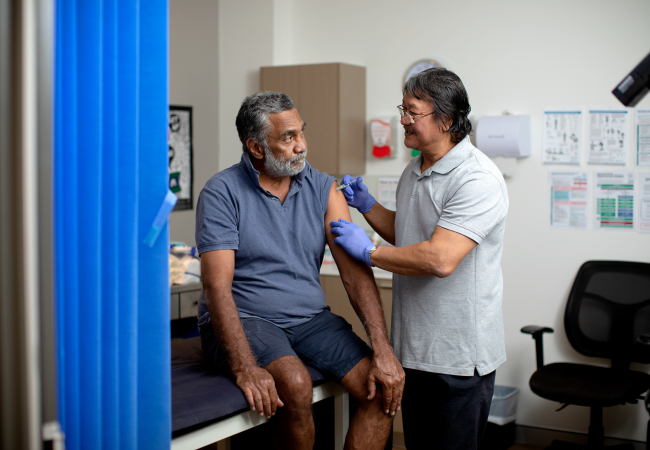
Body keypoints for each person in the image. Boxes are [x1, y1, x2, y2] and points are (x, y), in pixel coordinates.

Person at [195, 91, 404, 450]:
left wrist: (382, 349)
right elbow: (217, 288)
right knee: (294, 381)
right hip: (250, 317)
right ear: (256, 147)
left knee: (382, 387)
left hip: (310, 319)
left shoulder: (324, 188)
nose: (301, 146)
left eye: (301, 133)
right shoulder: (221, 192)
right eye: (288, 137)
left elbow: (354, 275)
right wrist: (246, 367)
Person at [330, 68, 509, 450]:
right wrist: (368, 207)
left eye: (413, 112)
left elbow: (439, 258)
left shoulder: (477, 178)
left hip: (458, 359)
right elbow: (411, 234)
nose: (402, 120)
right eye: (402, 109)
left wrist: (370, 252)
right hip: (413, 350)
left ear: (446, 120)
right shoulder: (416, 168)